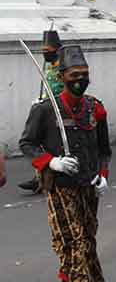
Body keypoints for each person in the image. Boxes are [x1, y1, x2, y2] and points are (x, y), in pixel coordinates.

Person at [19, 44, 111, 282]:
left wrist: (103, 175)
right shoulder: (46, 110)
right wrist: (52, 162)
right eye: (74, 74)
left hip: (88, 187)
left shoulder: (95, 107)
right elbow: (27, 143)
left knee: (87, 239)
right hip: (61, 188)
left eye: (85, 74)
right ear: (62, 75)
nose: (80, 79)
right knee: (74, 244)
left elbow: (104, 149)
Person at [20, 30, 66, 193]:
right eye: (43, 51)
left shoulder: (64, 66)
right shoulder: (50, 66)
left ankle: (46, 178)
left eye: (48, 51)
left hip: (60, 111)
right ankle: (39, 177)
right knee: (39, 142)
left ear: (57, 49)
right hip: (47, 110)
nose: (45, 54)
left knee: (52, 145)